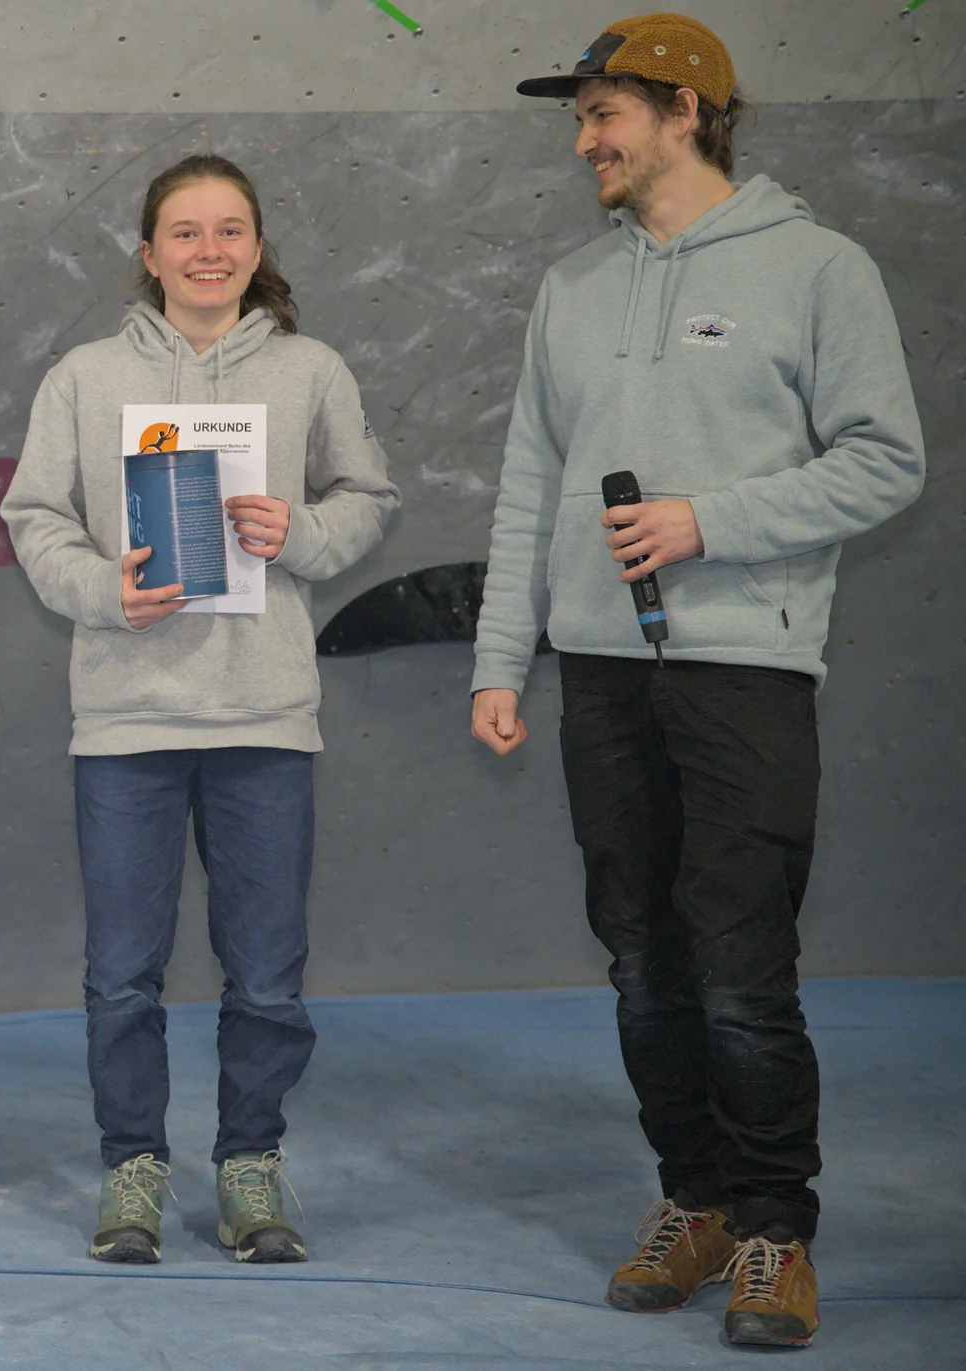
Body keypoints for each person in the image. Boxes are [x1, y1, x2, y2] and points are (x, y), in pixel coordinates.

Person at [471, 14, 925, 1349]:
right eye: (579, 115)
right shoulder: (572, 287)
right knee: (642, 968)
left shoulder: (820, 269)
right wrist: (506, 657)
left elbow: (884, 460)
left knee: (741, 971)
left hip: (745, 670)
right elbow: (525, 494)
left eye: (605, 112)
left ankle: (777, 1229)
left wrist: (705, 518)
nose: (584, 138)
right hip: (602, 681)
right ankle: (696, 1199)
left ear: (687, 113)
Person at [3, 154, 398, 1264]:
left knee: (267, 968)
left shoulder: (311, 371)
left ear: (258, 249)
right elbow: (35, 517)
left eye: (231, 231)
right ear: (148, 253)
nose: (209, 251)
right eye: (185, 232)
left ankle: (250, 1167)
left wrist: (303, 537)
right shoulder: (83, 377)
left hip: (264, 714)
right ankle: (133, 1167)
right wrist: (104, 591)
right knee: (122, 972)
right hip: (127, 720)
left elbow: (369, 496)